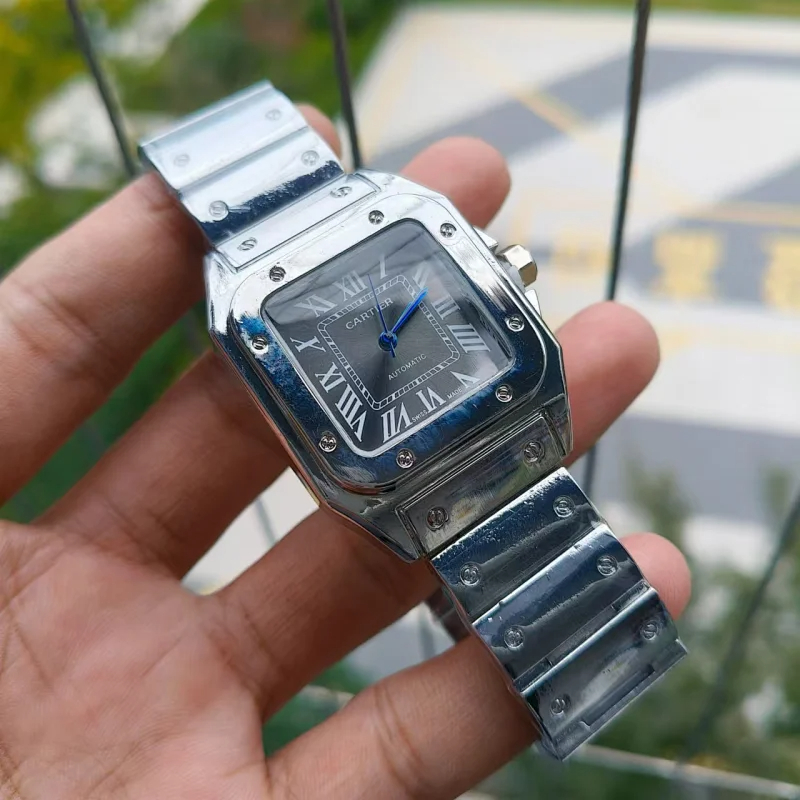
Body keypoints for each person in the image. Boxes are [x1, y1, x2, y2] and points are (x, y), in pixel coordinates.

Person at [0, 107, 690, 799]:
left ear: (504, 276)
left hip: (497, 427)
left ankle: (543, 641)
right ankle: (553, 652)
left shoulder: (398, 226)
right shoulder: (276, 303)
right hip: (423, 472)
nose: (386, 344)